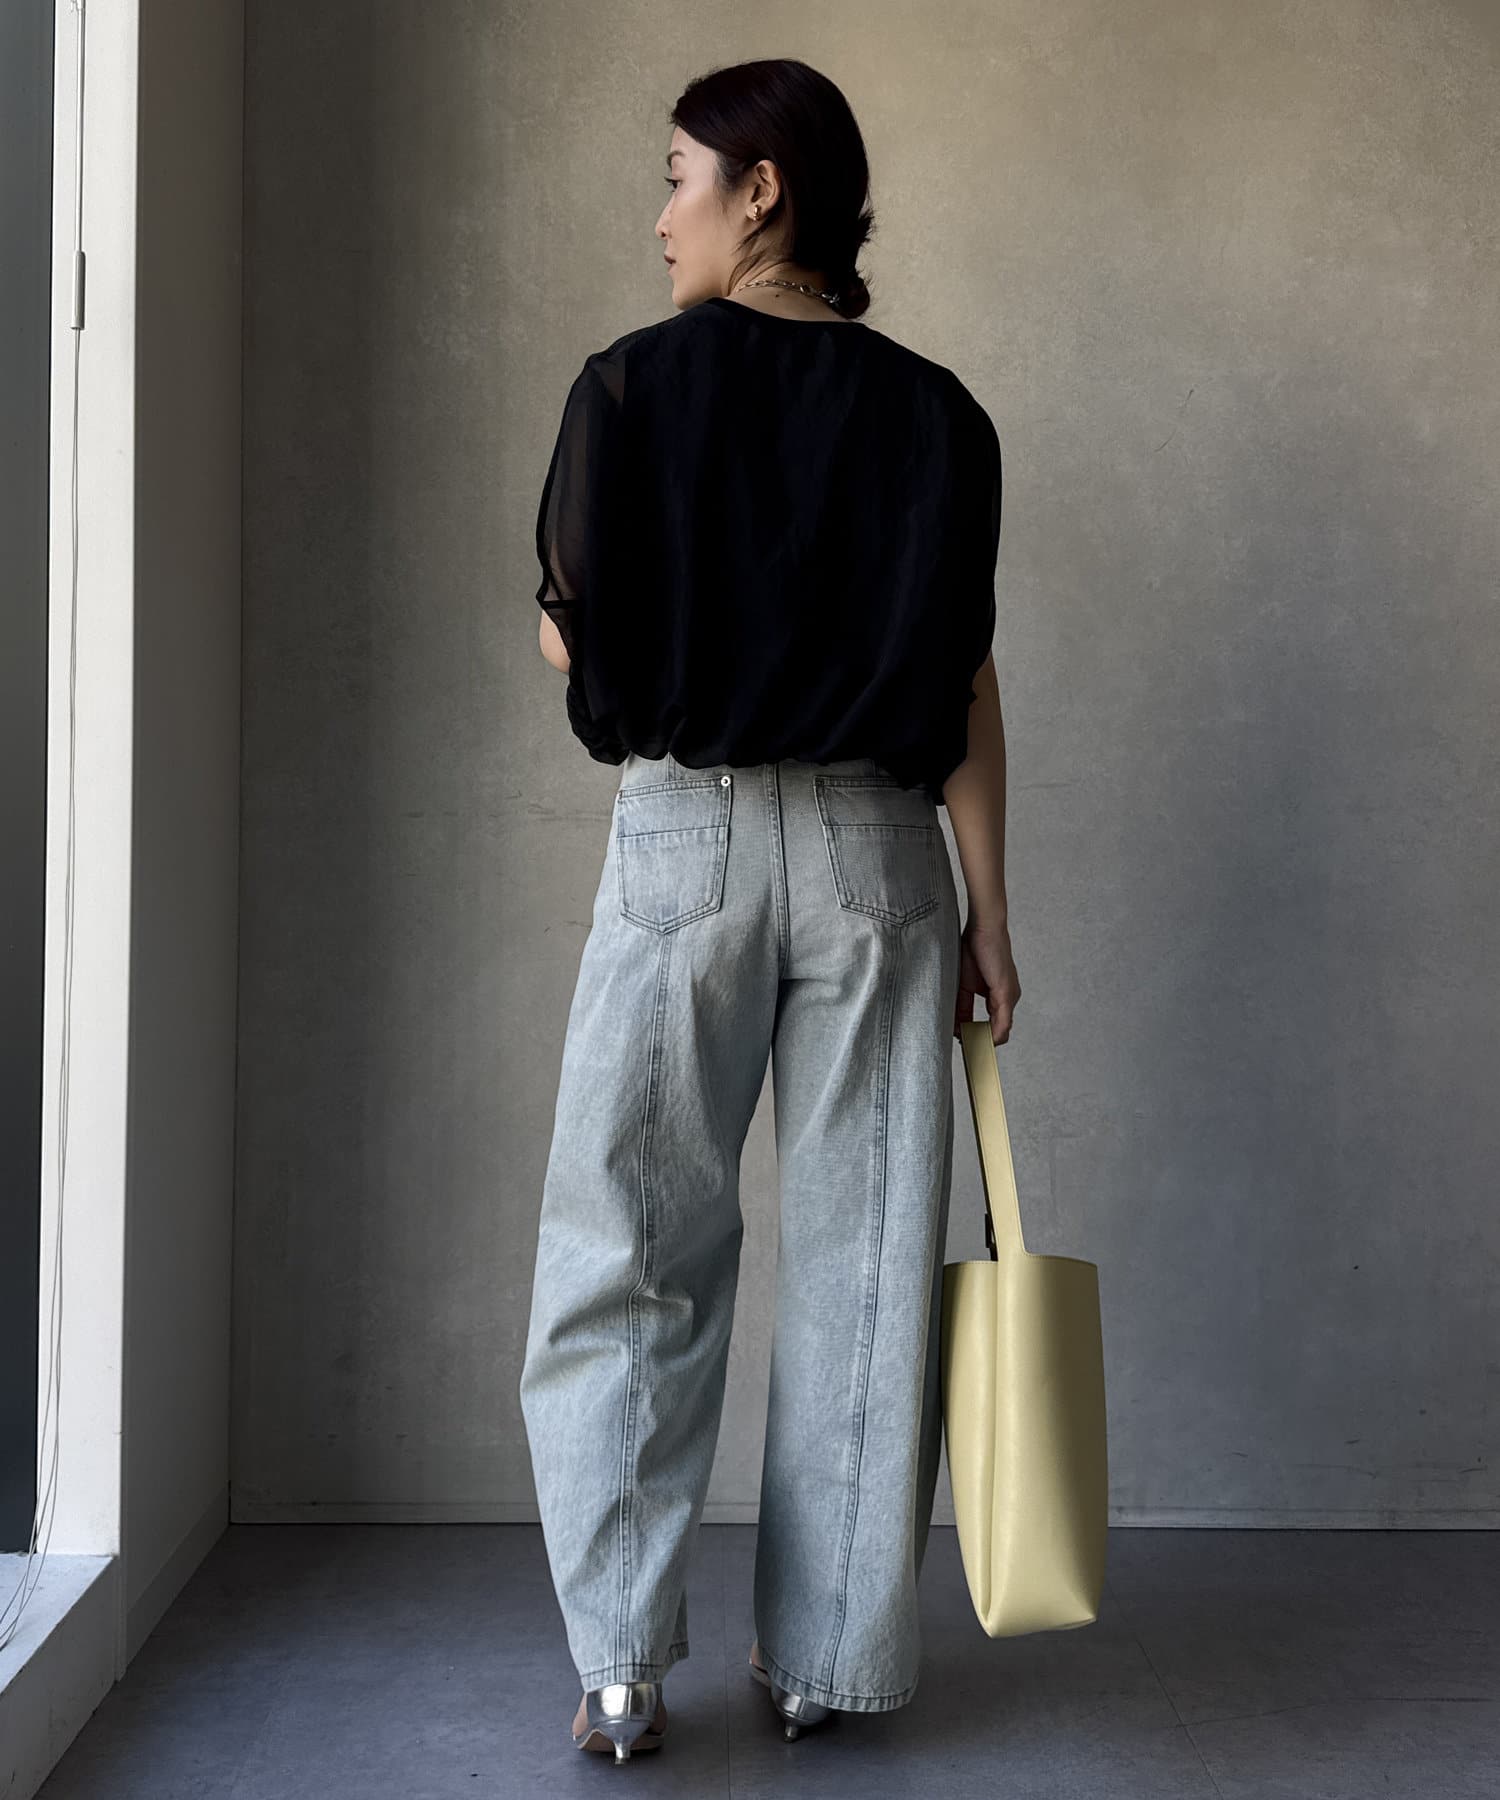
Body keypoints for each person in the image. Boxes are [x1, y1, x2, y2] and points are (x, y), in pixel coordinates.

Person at [517, 55, 1021, 1764]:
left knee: (631, 1246)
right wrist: (990, 910)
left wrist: (656, 619)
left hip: (693, 845)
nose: (661, 215)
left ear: (763, 188)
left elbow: (575, 635)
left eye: (679, 176)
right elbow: (965, 679)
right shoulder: (940, 417)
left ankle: (619, 1667)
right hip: (885, 858)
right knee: (869, 1261)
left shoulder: (633, 389)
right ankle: (823, 1662)